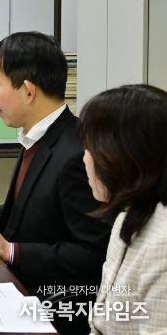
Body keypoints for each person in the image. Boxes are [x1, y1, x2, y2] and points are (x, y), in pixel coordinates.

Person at [0, 32, 110, 333]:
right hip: (16, 290)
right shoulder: (39, 138)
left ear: (28, 91)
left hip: (51, 310)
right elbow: (32, 211)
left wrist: (12, 250)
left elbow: (94, 257)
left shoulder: (76, 153)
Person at [79, 84, 167, 333]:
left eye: (91, 147)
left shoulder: (163, 243)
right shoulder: (126, 219)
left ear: (123, 154)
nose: (84, 158)